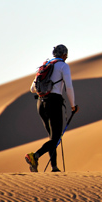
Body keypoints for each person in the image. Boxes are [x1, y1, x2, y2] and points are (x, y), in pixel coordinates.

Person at [25, 44, 78, 172]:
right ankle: (35, 156)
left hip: (41, 104)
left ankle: (54, 167)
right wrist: (73, 105)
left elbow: (32, 89)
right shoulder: (63, 66)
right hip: (54, 103)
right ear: (64, 55)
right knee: (55, 138)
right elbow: (69, 87)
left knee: (52, 137)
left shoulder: (45, 66)